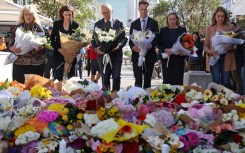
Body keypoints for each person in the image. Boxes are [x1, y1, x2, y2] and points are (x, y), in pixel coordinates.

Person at [91, 3, 128, 91]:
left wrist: (119, 45)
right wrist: (95, 48)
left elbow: (124, 38)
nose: (106, 15)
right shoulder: (98, 24)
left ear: (112, 11)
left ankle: (115, 96)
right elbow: (93, 39)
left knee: (116, 76)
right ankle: (106, 97)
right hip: (102, 55)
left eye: (108, 12)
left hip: (116, 55)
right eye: (104, 13)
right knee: (105, 77)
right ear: (101, 13)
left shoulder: (119, 23)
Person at [9, 5, 45, 84]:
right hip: (19, 63)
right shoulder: (18, 27)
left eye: (30, 14)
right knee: (18, 88)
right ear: (23, 15)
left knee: (34, 90)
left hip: (35, 64)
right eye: (26, 14)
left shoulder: (38, 28)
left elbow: (45, 43)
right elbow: (10, 43)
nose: (28, 16)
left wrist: (41, 47)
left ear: (33, 15)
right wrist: (12, 48)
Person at [129, 0, 159, 88]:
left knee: (147, 80)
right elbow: (131, 41)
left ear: (148, 10)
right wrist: (133, 48)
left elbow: (157, 38)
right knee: (137, 80)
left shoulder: (154, 23)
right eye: (142, 9)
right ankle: (137, 100)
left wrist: (152, 45)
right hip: (136, 56)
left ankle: (146, 100)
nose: (143, 11)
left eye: (145, 9)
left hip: (149, 55)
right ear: (138, 9)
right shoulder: (133, 24)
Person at [204, 7, 235, 88]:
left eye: (222, 16)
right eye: (218, 16)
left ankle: (225, 99)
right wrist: (210, 51)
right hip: (214, 58)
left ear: (225, 17)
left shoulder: (230, 27)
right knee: (216, 81)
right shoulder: (209, 28)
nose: (220, 18)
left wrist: (230, 47)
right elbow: (205, 46)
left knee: (226, 82)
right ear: (215, 16)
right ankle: (216, 99)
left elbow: (235, 44)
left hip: (226, 57)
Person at [157, 10, 187, 85]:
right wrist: (165, 49)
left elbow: (187, 43)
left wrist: (183, 51)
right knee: (167, 82)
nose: (172, 21)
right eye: (170, 19)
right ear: (167, 20)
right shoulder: (163, 30)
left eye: (173, 19)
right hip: (167, 59)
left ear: (176, 19)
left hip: (179, 59)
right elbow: (159, 44)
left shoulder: (182, 30)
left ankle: (178, 96)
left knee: (178, 81)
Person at [50, 5, 79, 81]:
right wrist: (59, 49)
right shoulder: (57, 24)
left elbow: (79, 41)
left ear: (72, 14)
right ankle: (57, 92)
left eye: (70, 15)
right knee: (58, 78)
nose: (68, 17)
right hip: (59, 55)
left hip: (71, 56)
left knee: (72, 79)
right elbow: (52, 39)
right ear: (62, 14)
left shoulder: (76, 25)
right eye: (66, 15)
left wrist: (76, 52)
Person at [230, 22, 244, 94]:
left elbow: (236, 47)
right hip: (238, 58)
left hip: (238, 59)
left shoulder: (239, 34)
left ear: (232, 26)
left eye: (230, 25)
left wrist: (229, 47)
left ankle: (239, 95)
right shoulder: (238, 34)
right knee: (235, 78)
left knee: (237, 78)